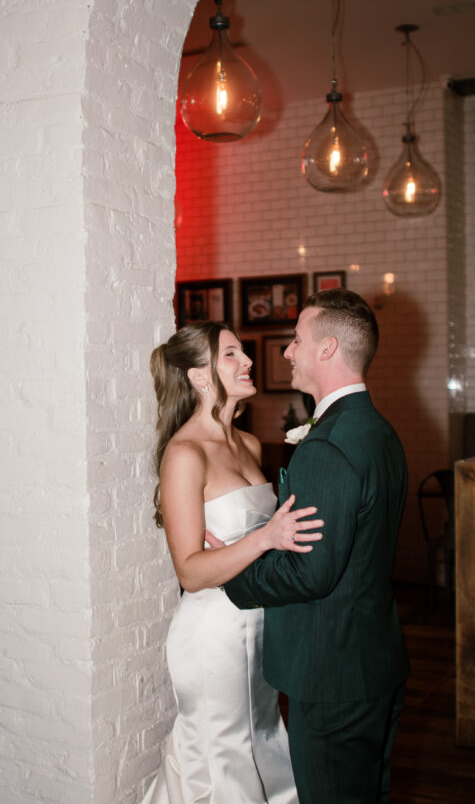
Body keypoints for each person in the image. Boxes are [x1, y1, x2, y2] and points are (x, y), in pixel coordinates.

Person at [220, 289, 409, 804]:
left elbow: (310, 573)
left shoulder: (328, 446)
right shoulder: (379, 431)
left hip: (333, 676)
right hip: (373, 658)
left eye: (296, 340)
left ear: (327, 349)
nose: (286, 352)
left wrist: (229, 573)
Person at [142, 321, 323, 804]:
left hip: (262, 626)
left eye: (242, 352)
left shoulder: (248, 444)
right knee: (223, 757)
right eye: (231, 355)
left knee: (262, 740)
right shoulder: (185, 453)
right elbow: (190, 570)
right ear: (200, 377)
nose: (246, 361)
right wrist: (265, 537)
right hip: (214, 634)